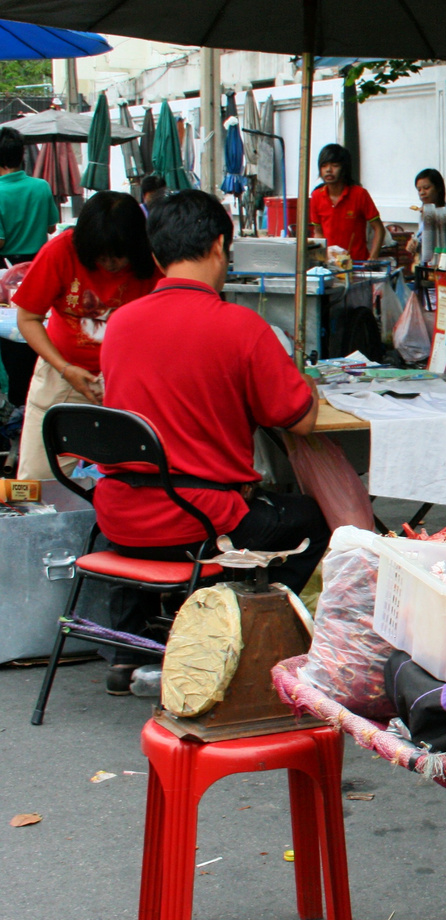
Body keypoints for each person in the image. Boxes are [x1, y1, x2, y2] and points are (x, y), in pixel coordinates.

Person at [97, 189, 328, 694]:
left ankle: (126, 652)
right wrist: (304, 381)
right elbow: (300, 420)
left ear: (156, 257)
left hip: (121, 514)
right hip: (199, 519)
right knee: (312, 518)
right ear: (222, 245)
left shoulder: (119, 323)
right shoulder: (240, 326)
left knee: (160, 493)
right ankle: (243, 638)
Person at [12, 190, 158, 480]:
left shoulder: (154, 260)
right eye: (101, 256)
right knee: (36, 480)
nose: (111, 265)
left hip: (131, 379)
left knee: (139, 476)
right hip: (62, 372)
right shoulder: (60, 251)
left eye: (119, 255)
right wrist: (65, 369)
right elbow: (28, 318)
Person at [0, 125, 60, 409]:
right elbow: (51, 226)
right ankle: (39, 395)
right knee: (38, 327)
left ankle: (16, 404)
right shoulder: (42, 186)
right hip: (39, 269)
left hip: (6, 273)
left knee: (10, 337)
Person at [309, 143, 383, 262]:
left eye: (335, 165)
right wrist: (321, 258)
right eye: (324, 166)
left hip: (357, 265)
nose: (328, 170)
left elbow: (379, 229)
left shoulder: (360, 194)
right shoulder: (316, 196)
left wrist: (373, 257)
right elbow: (318, 232)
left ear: (344, 168)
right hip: (330, 265)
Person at [405, 167, 446, 264]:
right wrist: (413, 243)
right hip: (426, 266)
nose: (422, 193)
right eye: (419, 190)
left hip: (444, 266)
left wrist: (434, 217)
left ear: (438, 188)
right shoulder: (424, 214)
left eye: (426, 188)